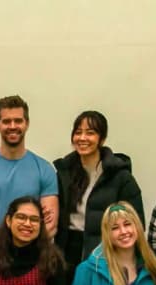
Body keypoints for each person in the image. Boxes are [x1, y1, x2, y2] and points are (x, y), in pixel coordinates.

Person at [52, 110, 144, 268]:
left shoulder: (120, 177)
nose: (82, 138)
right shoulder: (63, 173)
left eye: (90, 133)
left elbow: (136, 223)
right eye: (78, 132)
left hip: (106, 254)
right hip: (67, 254)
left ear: (102, 139)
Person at [0, 95, 60, 235]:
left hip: (31, 246)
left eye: (18, 121)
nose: (13, 126)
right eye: (6, 121)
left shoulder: (45, 170)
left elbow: (49, 225)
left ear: (27, 123)